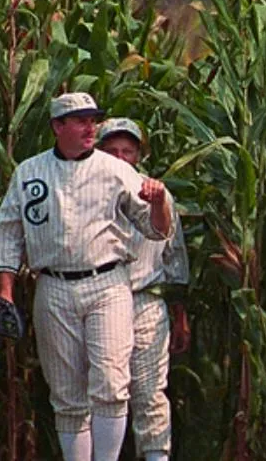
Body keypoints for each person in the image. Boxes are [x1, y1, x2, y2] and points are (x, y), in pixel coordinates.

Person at [0, 93, 173, 461]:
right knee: (67, 395)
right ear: (58, 126)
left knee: (111, 385)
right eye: (81, 120)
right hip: (52, 286)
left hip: (108, 283)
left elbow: (156, 230)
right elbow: (8, 234)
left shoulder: (116, 169)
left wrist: (158, 203)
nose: (90, 128)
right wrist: (4, 293)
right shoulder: (30, 172)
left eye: (93, 120)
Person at [95, 118, 189, 461]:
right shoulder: (88, 193)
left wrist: (180, 314)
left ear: (138, 154)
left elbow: (174, 256)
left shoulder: (158, 195)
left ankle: (156, 456)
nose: (120, 157)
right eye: (112, 151)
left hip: (145, 302)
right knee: (105, 393)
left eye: (128, 151)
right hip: (99, 301)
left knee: (150, 392)